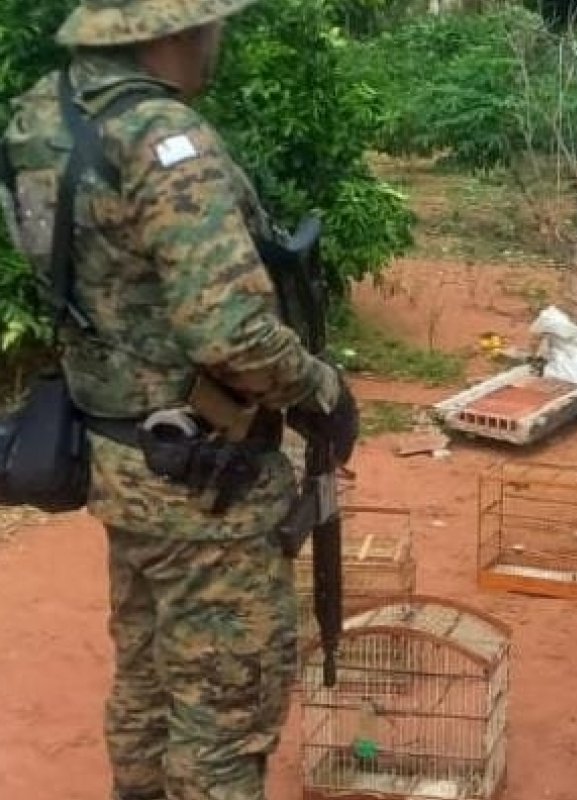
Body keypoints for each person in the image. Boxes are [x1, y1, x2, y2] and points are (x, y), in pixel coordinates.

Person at [0, 1, 358, 798]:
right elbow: (229, 332)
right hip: (205, 480)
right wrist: (321, 390)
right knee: (226, 710)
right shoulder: (167, 142)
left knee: (149, 680)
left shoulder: (45, 115)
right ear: (171, 31)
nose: (216, 39)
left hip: (118, 456)